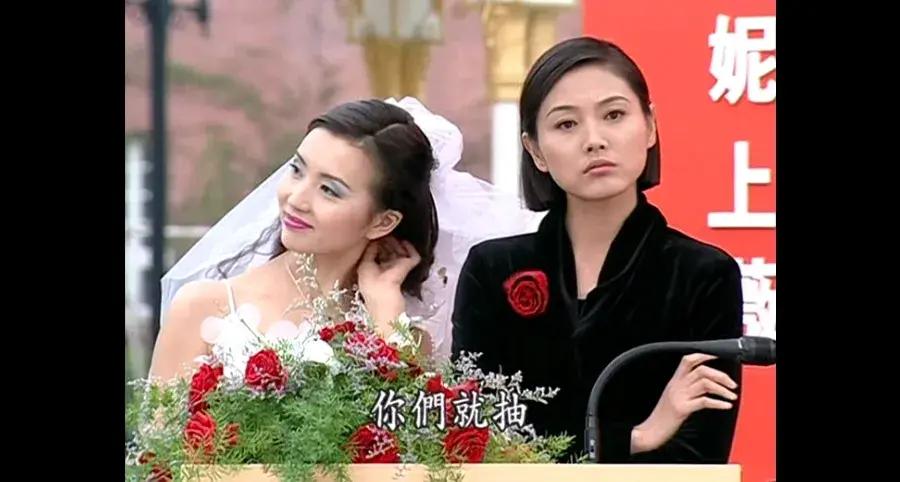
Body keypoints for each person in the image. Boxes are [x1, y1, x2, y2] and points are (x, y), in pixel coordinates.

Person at [450, 37, 744, 464]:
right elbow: (476, 434)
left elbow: (701, 455)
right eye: (566, 124)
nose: (594, 140)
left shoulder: (703, 274)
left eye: (614, 115)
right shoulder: (493, 269)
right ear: (535, 150)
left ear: (650, 126)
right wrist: (638, 436)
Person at [150, 97, 541, 381]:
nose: (296, 198)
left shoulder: (403, 333)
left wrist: (385, 310)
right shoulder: (204, 307)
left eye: (330, 190)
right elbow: (157, 457)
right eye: (297, 170)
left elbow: (415, 451)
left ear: (383, 222)